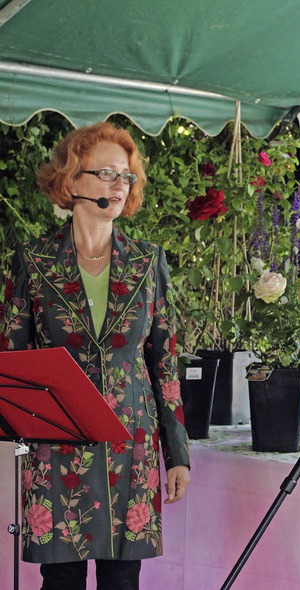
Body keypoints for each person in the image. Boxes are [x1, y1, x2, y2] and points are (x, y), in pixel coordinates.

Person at [0, 122, 191, 590]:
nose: (119, 186)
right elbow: (10, 358)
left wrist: (178, 453)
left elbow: (164, 361)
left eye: (125, 177)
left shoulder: (149, 261)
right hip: (58, 443)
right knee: (60, 580)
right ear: (71, 181)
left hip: (133, 443)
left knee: (123, 580)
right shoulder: (32, 260)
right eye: (106, 174)